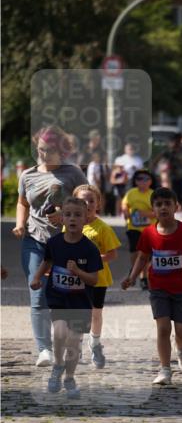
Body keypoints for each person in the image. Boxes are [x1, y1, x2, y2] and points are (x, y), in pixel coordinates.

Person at [121, 187, 182, 386]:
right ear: (153, 209)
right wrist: (132, 277)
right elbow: (143, 257)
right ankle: (165, 369)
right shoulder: (148, 233)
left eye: (167, 204)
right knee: (163, 328)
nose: (163, 208)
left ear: (176, 207)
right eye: (158, 204)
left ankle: (181, 349)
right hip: (159, 289)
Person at [13, 126, 86, 366]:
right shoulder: (28, 175)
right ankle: (44, 349)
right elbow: (23, 202)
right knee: (37, 293)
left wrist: (65, 215)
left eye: (50, 150)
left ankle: (69, 342)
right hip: (34, 241)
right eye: (41, 150)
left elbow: (88, 202)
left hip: (66, 243)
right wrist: (20, 224)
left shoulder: (73, 173)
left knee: (64, 295)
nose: (44, 154)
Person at [29, 197, 102, 398]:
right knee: (59, 333)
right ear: (61, 218)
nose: (72, 219)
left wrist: (78, 271)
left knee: (73, 342)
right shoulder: (54, 242)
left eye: (77, 215)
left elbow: (94, 280)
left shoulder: (90, 249)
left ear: (85, 218)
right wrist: (36, 277)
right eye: (68, 214)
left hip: (80, 302)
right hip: (58, 297)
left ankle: (69, 378)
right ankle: (58, 366)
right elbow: (47, 262)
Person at [73, 184, 121, 368]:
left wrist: (93, 258)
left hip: (98, 279)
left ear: (98, 204)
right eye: (82, 200)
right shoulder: (70, 224)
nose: (87, 203)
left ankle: (94, 343)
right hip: (76, 278)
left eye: (91, 200)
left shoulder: (103, 228)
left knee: (95, 314)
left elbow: (113, 254)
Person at [121, 169, 154, 290]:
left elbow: (157, 212)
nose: (143, 181)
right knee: (134, 252)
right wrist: (125, 211)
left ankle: (143, 278)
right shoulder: (131, 193)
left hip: (149, 229)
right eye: (139, 178)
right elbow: (124, 204)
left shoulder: (153, 194)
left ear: (150, 181)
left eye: (146, 178)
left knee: (145, 254)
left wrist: (145, 214)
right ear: (135, 181)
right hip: (133, 227)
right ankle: (134, 268)